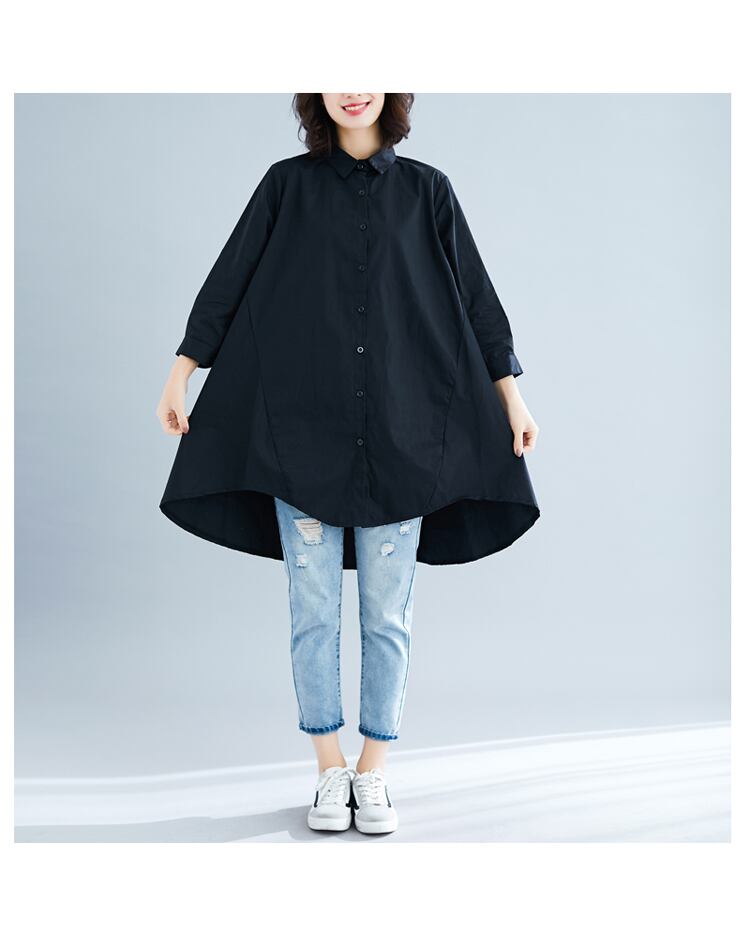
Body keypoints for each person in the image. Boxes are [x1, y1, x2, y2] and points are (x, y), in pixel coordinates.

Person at [156, 93, 541, 835]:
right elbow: (229, 280)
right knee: (313, 614)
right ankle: (328, 769)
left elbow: (477, 299)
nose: (353, 88)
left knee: (388, 618)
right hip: (301, 441)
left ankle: (374, 771)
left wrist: (512, 399)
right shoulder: (285, 186)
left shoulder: (428, 191)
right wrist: (182, 372)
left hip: (400, 439)